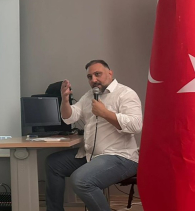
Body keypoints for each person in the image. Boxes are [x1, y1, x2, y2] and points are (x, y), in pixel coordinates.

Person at [46, 60, 142, 211]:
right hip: (92, 154)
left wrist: (105, 113)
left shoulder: (125, 93)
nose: (93, 80)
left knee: (81, 180)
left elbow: (136, 126)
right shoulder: (89, 96)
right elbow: (69, 117)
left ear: (110, 73)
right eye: (90, 77)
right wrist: (65, 100)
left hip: (121, 157)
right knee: (53, 163)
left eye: (98, 74)